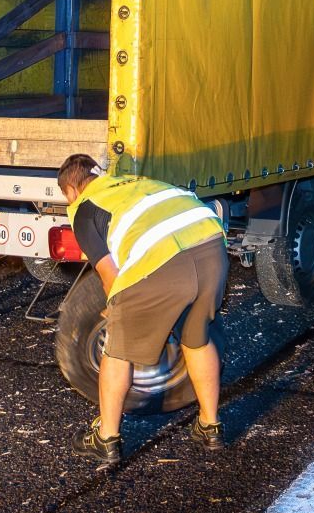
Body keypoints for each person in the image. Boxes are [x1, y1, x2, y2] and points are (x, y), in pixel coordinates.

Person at [56, 154, 230, 463]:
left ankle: (106, 438)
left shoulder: (84, 208)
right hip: (210, 247)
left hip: (161, 262)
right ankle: (209, 426)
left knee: (118, 350)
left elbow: (110, 274)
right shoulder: (138, 183)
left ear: (71, 190)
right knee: (197, 337)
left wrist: (116, 311)